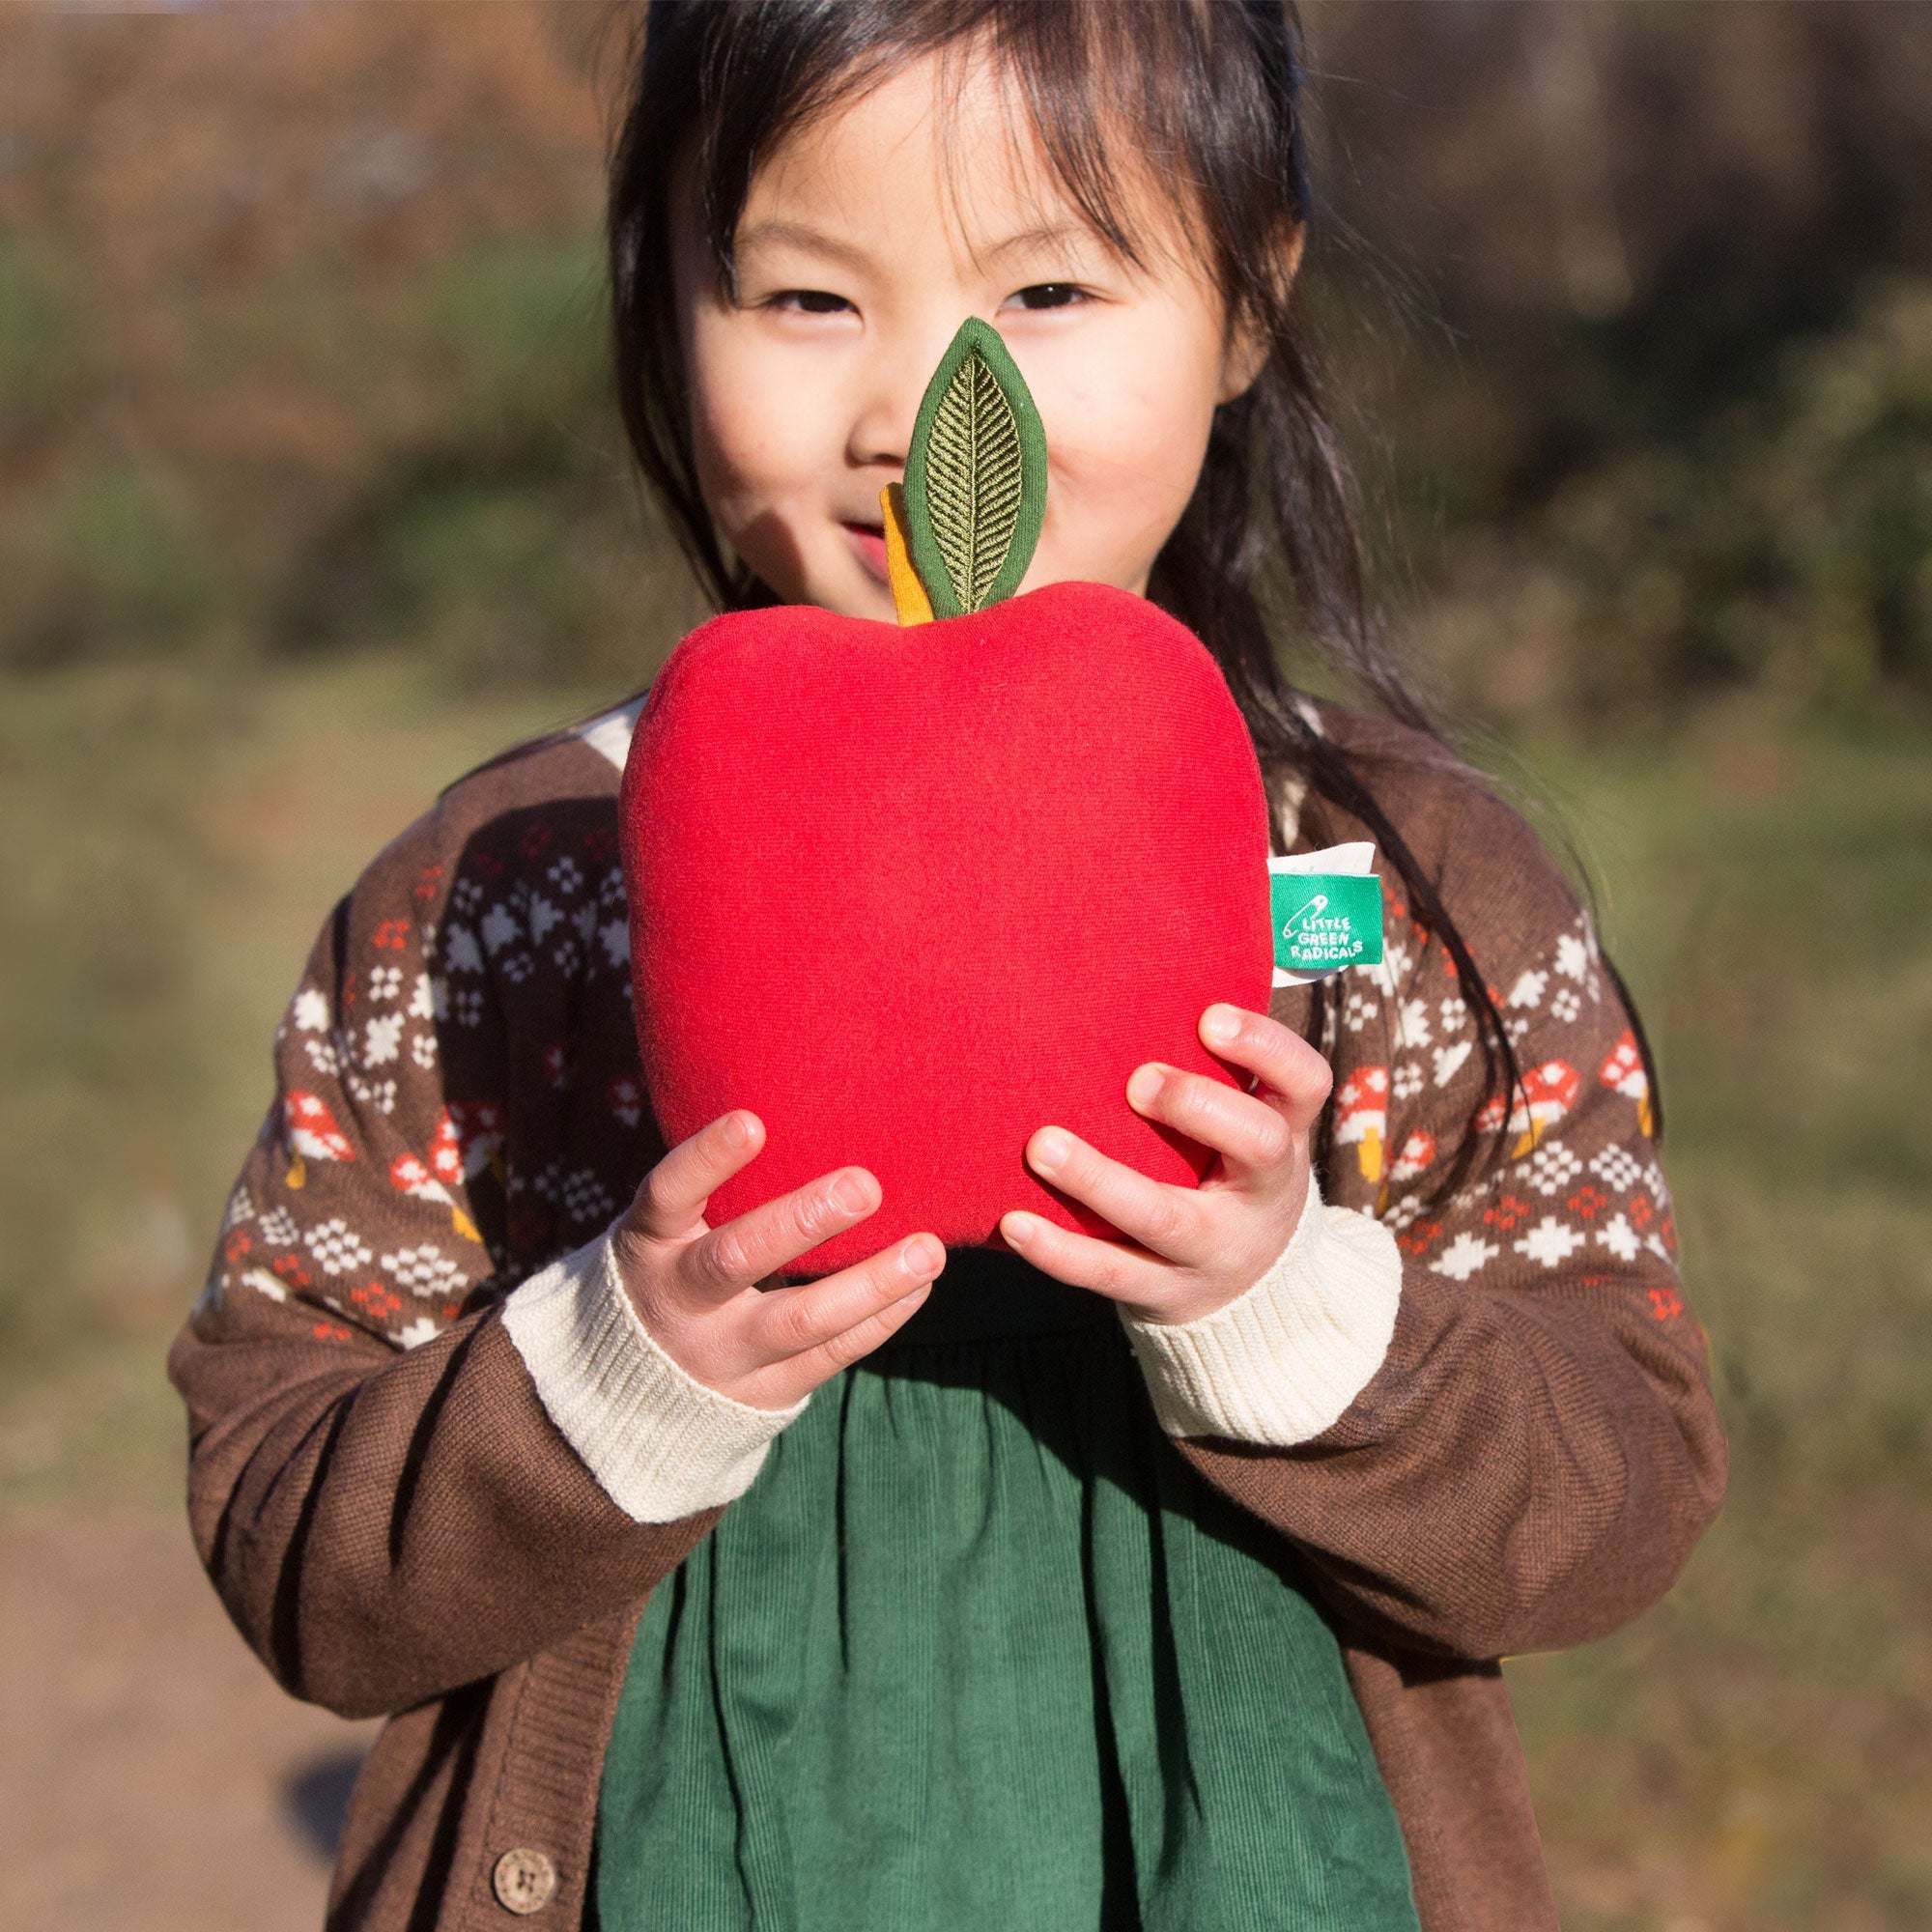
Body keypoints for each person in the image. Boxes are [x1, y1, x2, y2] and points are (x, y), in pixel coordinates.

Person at [168, 4, 1727, 1928]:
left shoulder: (1395, 893)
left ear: (1246, 304)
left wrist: (1293, 1303)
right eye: (808, 299)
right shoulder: (510, 902)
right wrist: (610, 1369)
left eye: (1053, 283)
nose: (922, 408)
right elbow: (280, 1529)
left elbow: (1621, 1497)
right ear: (669, 298)